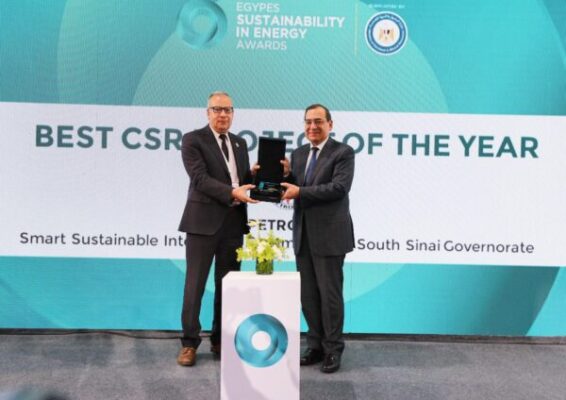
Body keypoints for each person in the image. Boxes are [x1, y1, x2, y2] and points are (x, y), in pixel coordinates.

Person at [177, 91, 258, 367]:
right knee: (195, 286)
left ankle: (220, 338)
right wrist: (234, 192)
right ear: (207, 112)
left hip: (233, 223)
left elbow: (240, 180)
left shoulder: (240, 143)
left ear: (233, 113)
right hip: (202, 223)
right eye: (217, 109)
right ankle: (189, 343)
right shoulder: (193, 140)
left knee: (228, 287)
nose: (223, 114)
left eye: (227, 110)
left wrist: (260, 174)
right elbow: (200, 179)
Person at [281, 104, 355, 373]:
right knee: (308, 296)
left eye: (318, 122)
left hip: (330, 236)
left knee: (329, 296)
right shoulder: (299, 153)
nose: (312, 127)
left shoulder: (343, 152)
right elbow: (295, 184)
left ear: (330, 124)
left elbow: (338, 188)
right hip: (303, 235)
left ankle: (333, 348)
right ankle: (315, 345)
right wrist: (283, 175)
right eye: (308, 122)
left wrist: (299, 191)